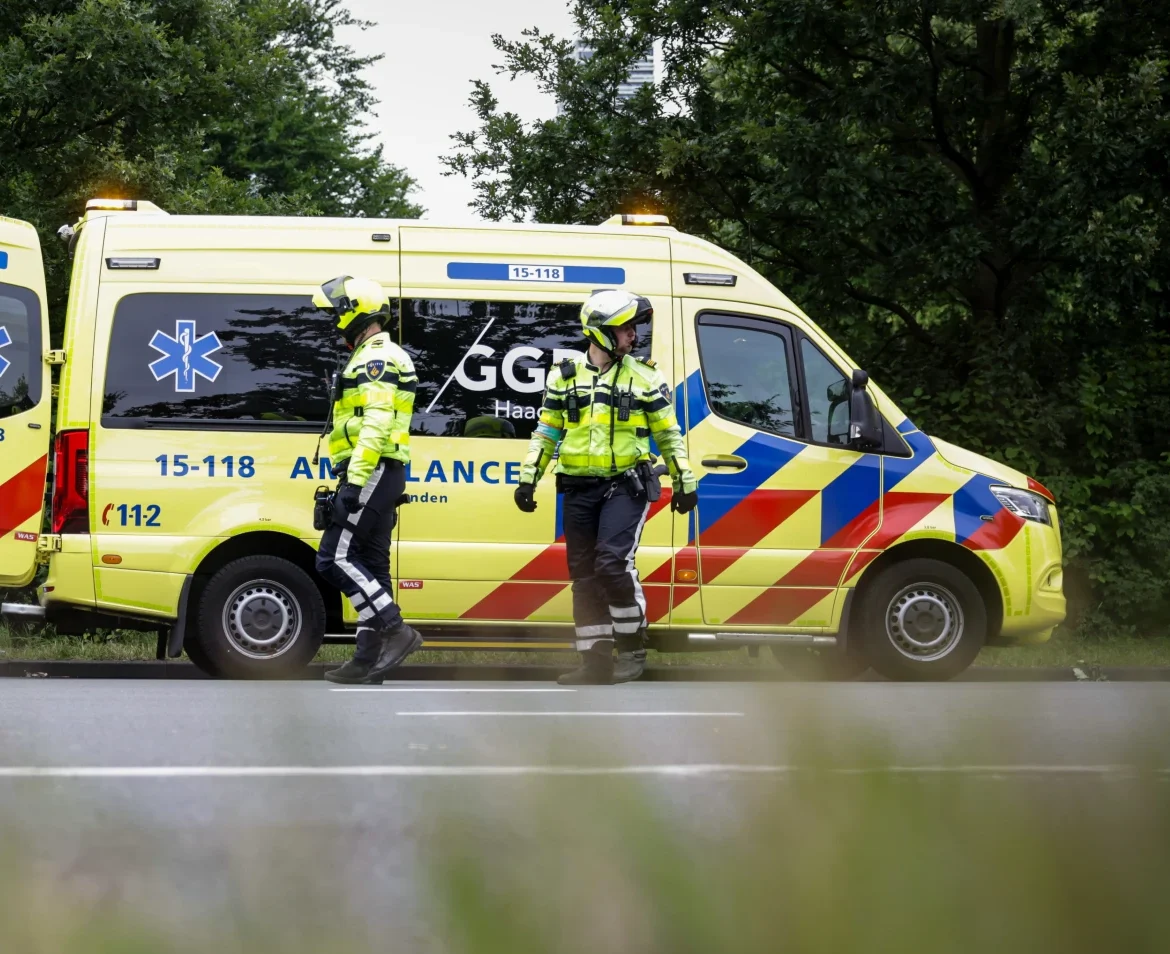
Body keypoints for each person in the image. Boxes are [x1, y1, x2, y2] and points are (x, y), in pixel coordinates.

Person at [514, 289, 698, 685]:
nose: (633, 336)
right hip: (579, 490)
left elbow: (668, 435)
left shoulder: (645, 376)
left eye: (633, 329)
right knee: (583, 576)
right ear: (599, 333)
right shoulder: (564, 377)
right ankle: (594, 661)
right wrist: (528, 477)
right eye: (625, 329)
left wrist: (684, 480)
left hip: (625, 487)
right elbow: (546, 431)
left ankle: (632, 647)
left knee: (612, 565)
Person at [312, 275, 423, 684]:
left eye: (336, 315)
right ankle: (367, 659)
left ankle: (397, 630)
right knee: (372, 564)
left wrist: (355, 483)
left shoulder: (377, 358)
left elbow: (376, 424)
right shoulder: (372, 355)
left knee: (333, 558)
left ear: (353, 313)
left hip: (374, 470)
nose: (333, 324)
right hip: (379, 470)